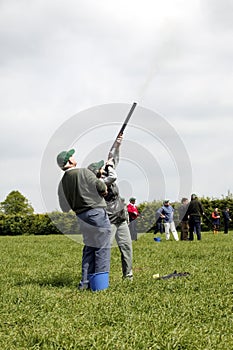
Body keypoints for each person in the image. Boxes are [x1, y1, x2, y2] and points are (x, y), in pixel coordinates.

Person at [57, 148, 112, 290]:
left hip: (81, 217)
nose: (74, 157)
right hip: (96, 214)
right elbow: (100, 185)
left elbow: (64, 208)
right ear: (69, 161)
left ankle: (85, 283)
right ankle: (100, 286)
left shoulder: (62, 183)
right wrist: (104, 191)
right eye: (72, 156)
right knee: (102, 248)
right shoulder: (84, 172)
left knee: (89, 249)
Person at [88, 137, 133, 281]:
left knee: (127, 248)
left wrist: (117, 144)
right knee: (104, 250)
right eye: (101, 167)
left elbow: (113, 159)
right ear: (98, 173)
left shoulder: (106, 174)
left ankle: (128, 277)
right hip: (109, 219)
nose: (104, 167)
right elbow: (113, 175)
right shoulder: (100, 182)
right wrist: (109, 166)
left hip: (120, 218)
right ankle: (99, 277)